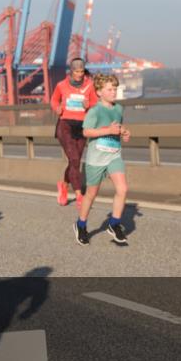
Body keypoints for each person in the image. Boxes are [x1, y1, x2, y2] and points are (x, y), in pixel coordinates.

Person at [76, 73, 130, 245]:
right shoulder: (95, 111)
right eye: (109, 89)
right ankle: (81, 225)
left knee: (122, 189)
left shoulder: (119, 109)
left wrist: (124, 132)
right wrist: (108, 130)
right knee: (91, 195)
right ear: (99, 92)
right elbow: (86, 132)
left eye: (115, 88)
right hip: (96, 159)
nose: (114, 92)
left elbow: (118, 127)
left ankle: (114, 224)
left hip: (114, 156)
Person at [51, 58, 98, 208]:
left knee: (74, 160)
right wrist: (57, 108)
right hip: (65, 125)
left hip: (82, 126)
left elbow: (95, 104)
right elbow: (53, 101)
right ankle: (79, 195)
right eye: (77, 71)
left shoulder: (90, 86)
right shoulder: (61, 85)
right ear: (71, 71)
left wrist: (88, 105)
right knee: (75, 160)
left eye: (82, 71)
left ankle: (63, 185)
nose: (79, 74)